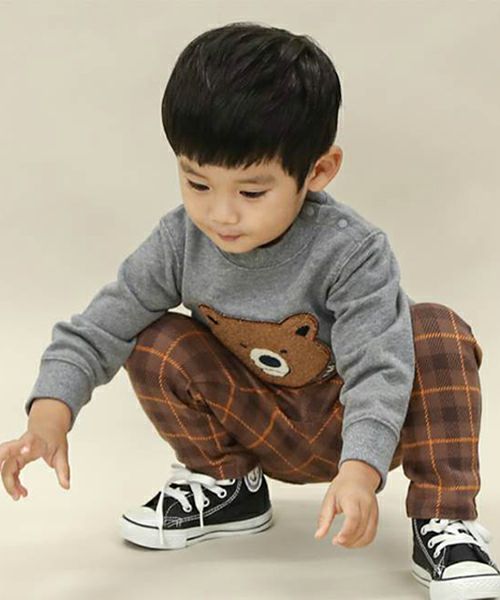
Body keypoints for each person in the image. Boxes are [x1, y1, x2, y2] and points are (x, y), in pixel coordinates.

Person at [1, 21, 499, 600]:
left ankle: (444, 516)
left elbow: (379, 368)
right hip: (258, 422)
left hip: (354, 424)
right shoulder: (180, 242)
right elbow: (99, 328)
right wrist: (49, 415)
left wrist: (361, 471)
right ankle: (229, 487)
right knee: (153, 337)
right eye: (197, 183)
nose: (221, 214)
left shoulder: (352, 250)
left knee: (436, 329)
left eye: (251, 192)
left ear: (318, 171)